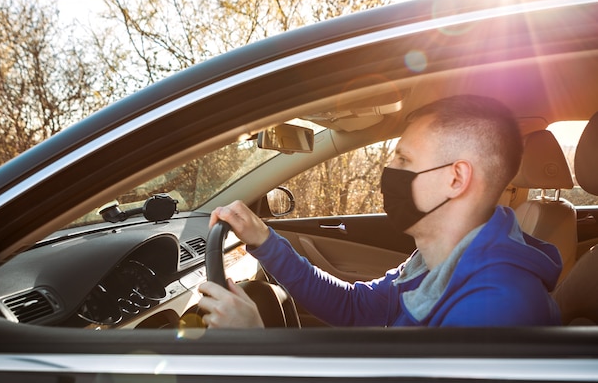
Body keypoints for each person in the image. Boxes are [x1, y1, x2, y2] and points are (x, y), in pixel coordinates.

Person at [197, 94, 563, 328]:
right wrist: (264, 239)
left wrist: (254, 349)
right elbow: (354, 307)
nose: (388, 173)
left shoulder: (495, 308)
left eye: (404, 159)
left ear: (456, 178)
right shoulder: (437, 264)